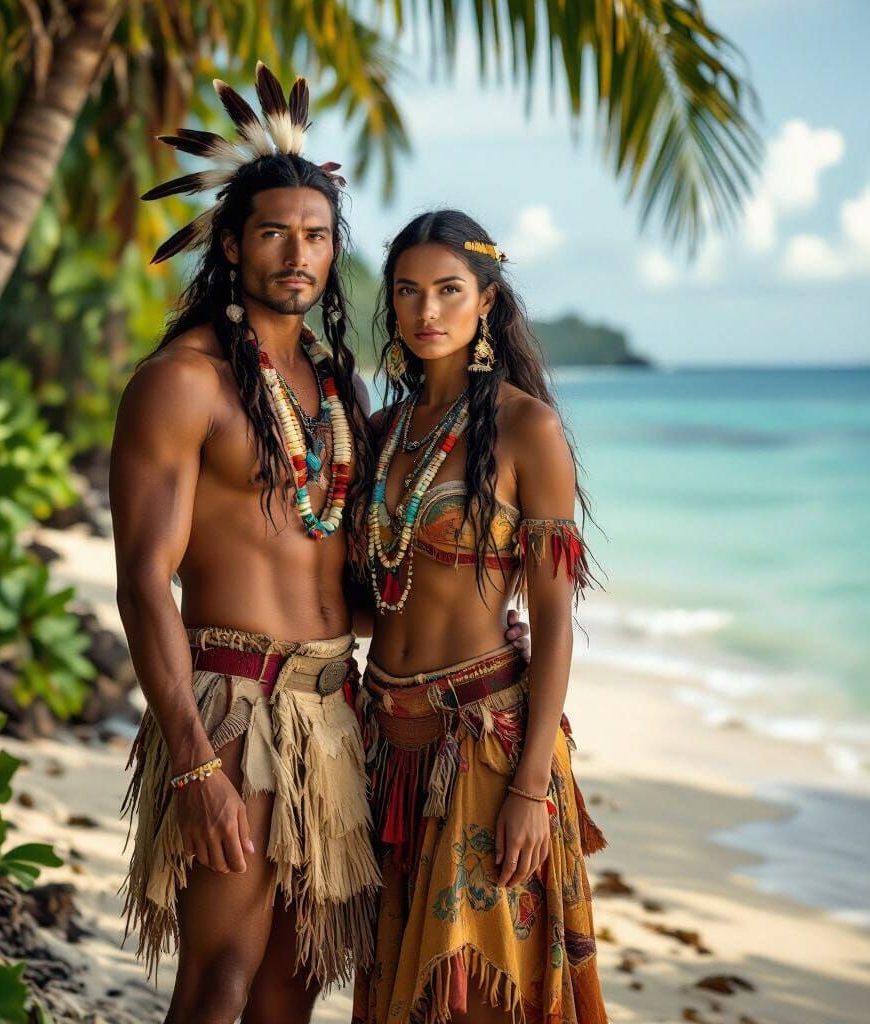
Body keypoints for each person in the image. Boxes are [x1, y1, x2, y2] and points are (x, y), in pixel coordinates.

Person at [111, 64, 537, 1024]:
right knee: (218, 978)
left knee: (292, 988)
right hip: (234, 707)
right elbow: (142, 584)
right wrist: (192, 760)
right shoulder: (183, 383)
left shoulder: (336, 389)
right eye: (273, 234)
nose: (297, 254)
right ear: (231, 245)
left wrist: (470, 630)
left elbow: (372, 551)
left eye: (315, 235)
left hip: (336, 707)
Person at [352, 210, 609, 1024]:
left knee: (475, 991)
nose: (427, 311)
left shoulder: (527, 429)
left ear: (487, 302)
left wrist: (531, 786)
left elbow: (554, 622)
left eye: (449, 291)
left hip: (484, 743)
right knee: (398, 987)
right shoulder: (385, 431)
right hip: (384, 738)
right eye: (408, 292)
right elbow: (374, 590)